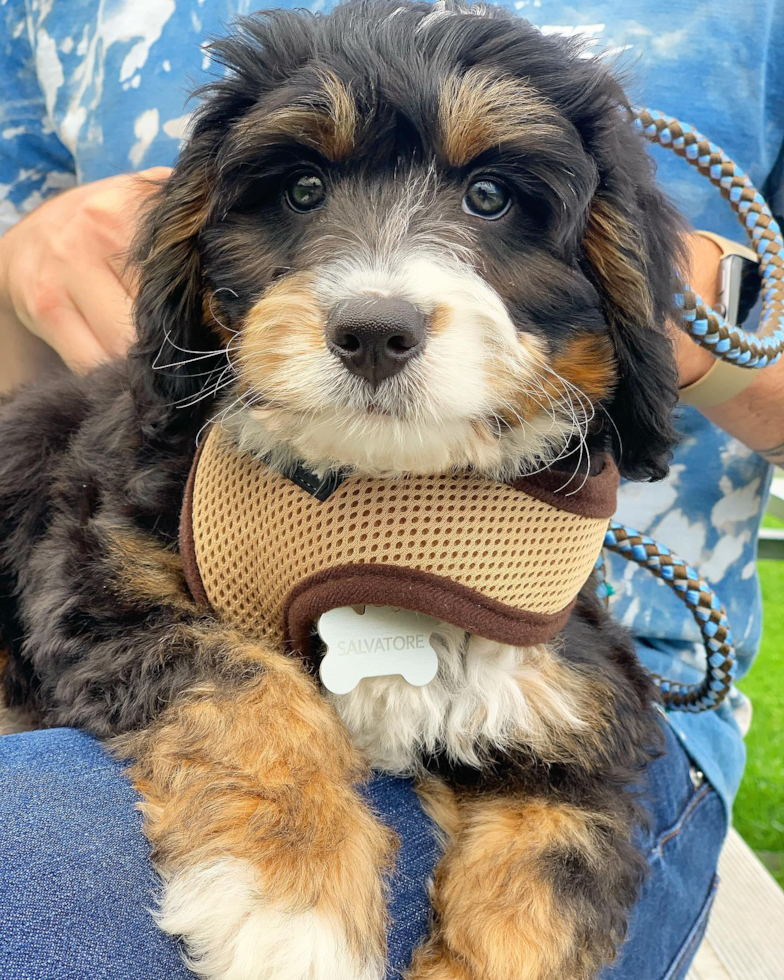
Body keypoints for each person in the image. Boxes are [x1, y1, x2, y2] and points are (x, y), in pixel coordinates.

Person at [1, 1, 782, 978]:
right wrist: (13, 270)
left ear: (611, 271)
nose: (376, 292)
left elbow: (576, 775)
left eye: (493, 196)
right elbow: (89, 594)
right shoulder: (157, 500)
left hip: (639, 661)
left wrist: (710, 317)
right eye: (297, 191)